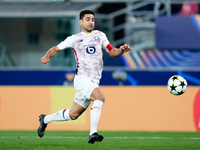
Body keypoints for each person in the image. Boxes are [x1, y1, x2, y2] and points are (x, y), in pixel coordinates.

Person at [37, 10, 132, 144]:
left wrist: (121, 50)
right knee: (100, 97)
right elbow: (56, 49)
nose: (91, 22)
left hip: (94, 81)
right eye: (87, 19)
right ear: (80, 22)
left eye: (92, 19)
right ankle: (93, 133)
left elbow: (112, 52)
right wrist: (46, 56)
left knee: (73, 115)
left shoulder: (100, 36)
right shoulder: (74, 39)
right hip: (82, 79)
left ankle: (45, 119)